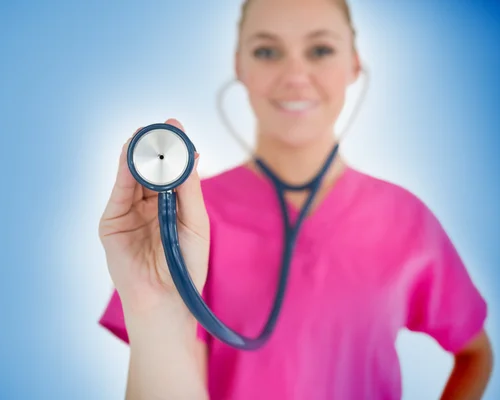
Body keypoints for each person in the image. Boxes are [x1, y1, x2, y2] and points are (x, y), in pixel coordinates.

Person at [97, 0, 494, 398]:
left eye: (320, 50)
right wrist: (155, 312)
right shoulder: (183, 221)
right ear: (240, 67)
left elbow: (476, 353)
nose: (295, 76)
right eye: (267, 51)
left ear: (355, 65)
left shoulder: (406, 219)